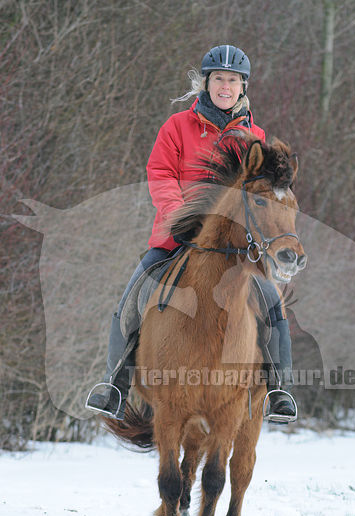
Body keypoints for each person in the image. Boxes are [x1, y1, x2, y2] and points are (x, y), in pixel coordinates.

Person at [86, 44, 296, 423]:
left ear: (243, 86)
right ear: (207, 82)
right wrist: (177, 212)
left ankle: (279, 388)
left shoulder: (256, 135)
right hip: (177, 238)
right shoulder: (177, 126)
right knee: (132, 297)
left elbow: (261, 194)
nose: (225, 86)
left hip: (237, 248)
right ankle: (114, 384)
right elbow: (161, 173)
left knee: (272, 303)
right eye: (219, 79)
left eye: (233, 80)